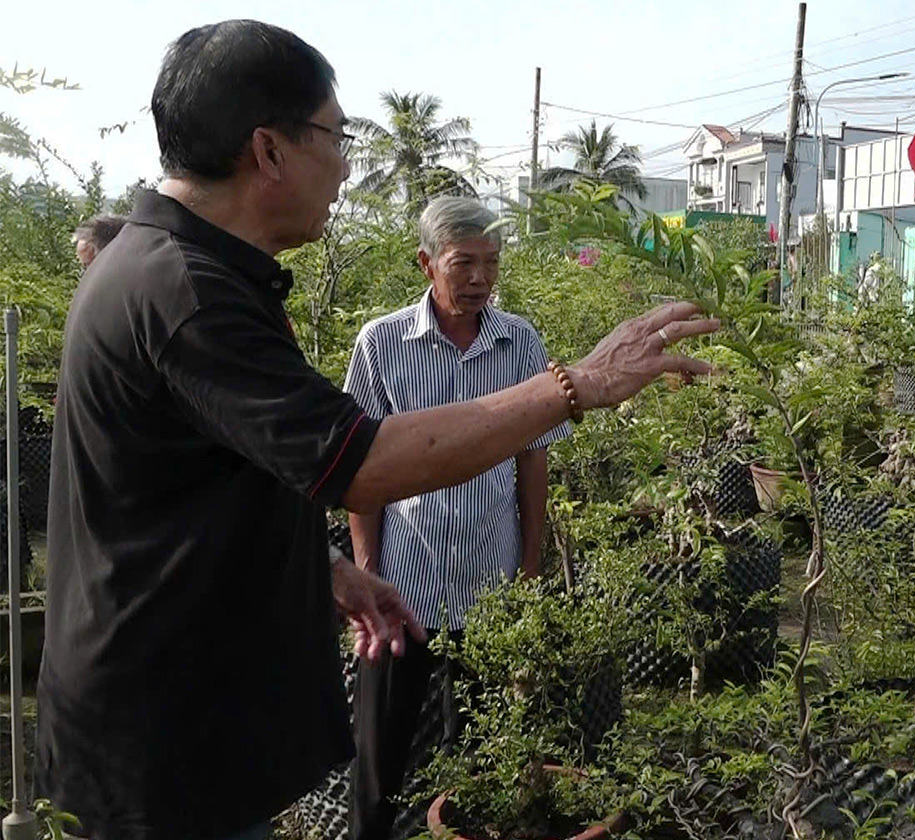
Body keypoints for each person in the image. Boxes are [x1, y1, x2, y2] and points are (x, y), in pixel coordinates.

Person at [38, 20, 715, 840]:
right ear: (270, 150)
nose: (348, 163)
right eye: (337, 134)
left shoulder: (173, 270)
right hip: (164, 743)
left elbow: (202, 480)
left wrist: (323, 567)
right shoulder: (187, 292)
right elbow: (363, 460)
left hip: (175, 716)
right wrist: (578, 385)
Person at [342, 195, 571, 839]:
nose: (479, 279)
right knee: (379, 758)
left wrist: (528, 571)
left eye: (491, 263)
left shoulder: (520, 342)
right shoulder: (382, 345)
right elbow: (362, 475)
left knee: (482, 755)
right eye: (463, 262)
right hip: (402, 590)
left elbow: (533, 461)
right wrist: (366, 575)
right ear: (426, 263)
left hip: (490, 588)